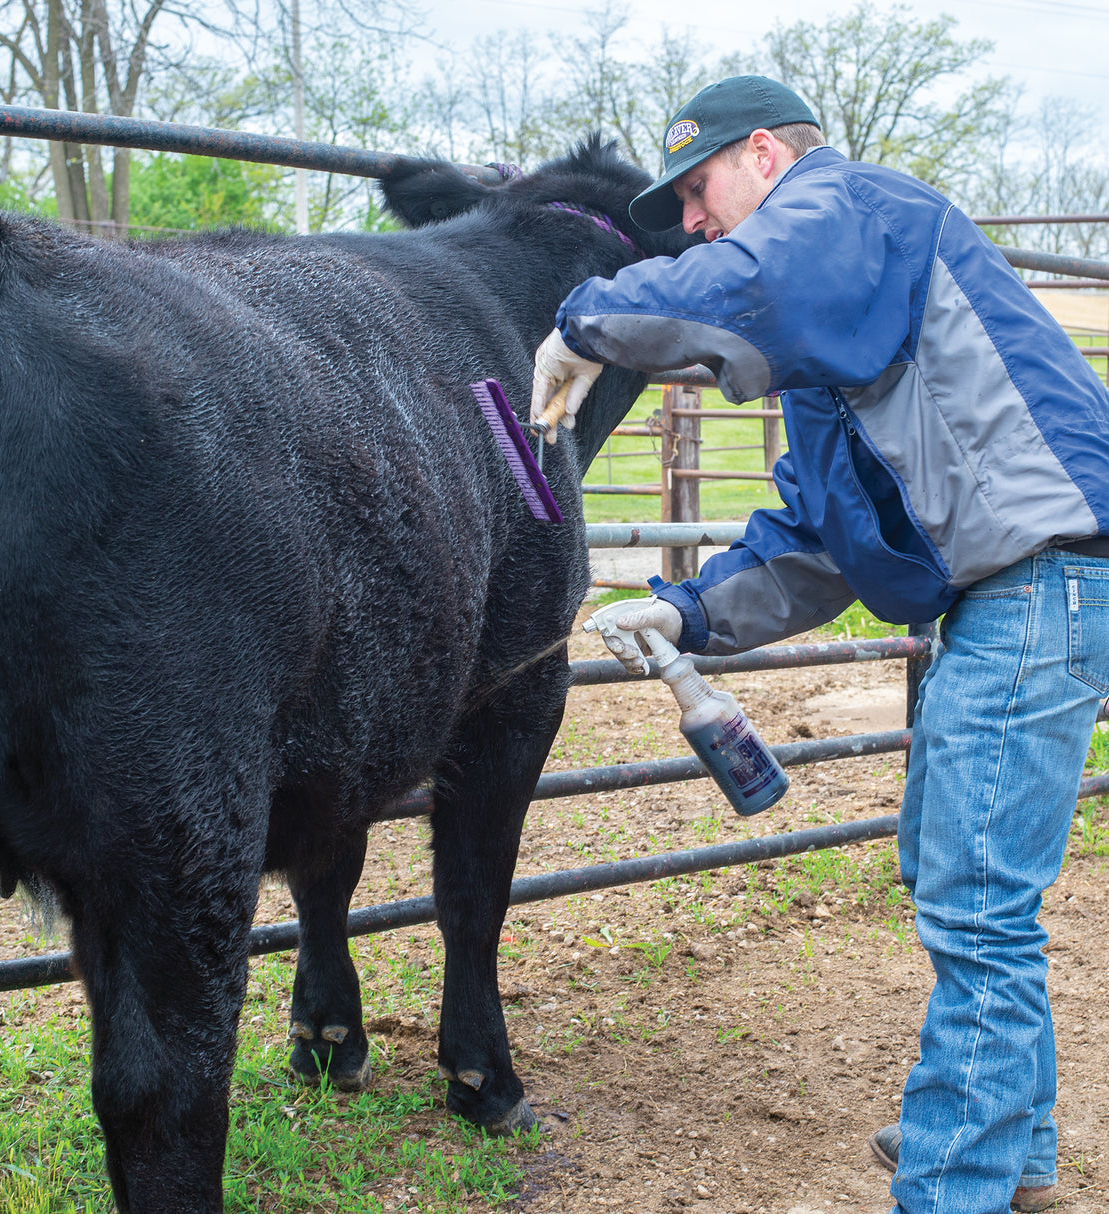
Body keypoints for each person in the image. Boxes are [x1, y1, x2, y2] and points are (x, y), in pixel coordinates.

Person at [530, 74, 1109, 1214]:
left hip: (1038, 576)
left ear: (763, 154)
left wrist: (582, 324)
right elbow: (817, 537)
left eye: (696, 191)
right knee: (963, 875)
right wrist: (686, 612)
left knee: (976, 892)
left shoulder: (852, 211)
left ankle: (954, 1182)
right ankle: (1013, 1140)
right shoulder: (836, 345)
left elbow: (744, 281)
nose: (691, 221)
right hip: (1011, 593)